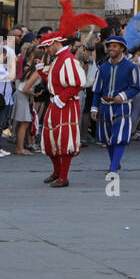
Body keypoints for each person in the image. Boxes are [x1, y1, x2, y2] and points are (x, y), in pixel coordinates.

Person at [36, 27, 85, 188]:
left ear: (56, 43)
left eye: (48, 47)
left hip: (67, 104)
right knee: (50, 139)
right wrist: (41, 69)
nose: (46, 50)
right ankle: (57, 171)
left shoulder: (68, 59)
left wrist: (62, 98)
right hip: (56, 102)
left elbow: (77, 83)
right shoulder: (58, 58)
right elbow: (53, 81)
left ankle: (64, 176)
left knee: (64, 139)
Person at [90, 35, 139, 175]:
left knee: (119, 138)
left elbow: (136, 87)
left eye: (114, 46)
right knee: (107, 138)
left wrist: (122, 96)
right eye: (109, 46)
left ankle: (113, 169)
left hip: (122, 106)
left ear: (122, 48)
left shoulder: (131, 67)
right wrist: (94, 107)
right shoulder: (103, 67)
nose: (111, 48)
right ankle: (115, 164)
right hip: (105, 106)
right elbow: (97, 90)